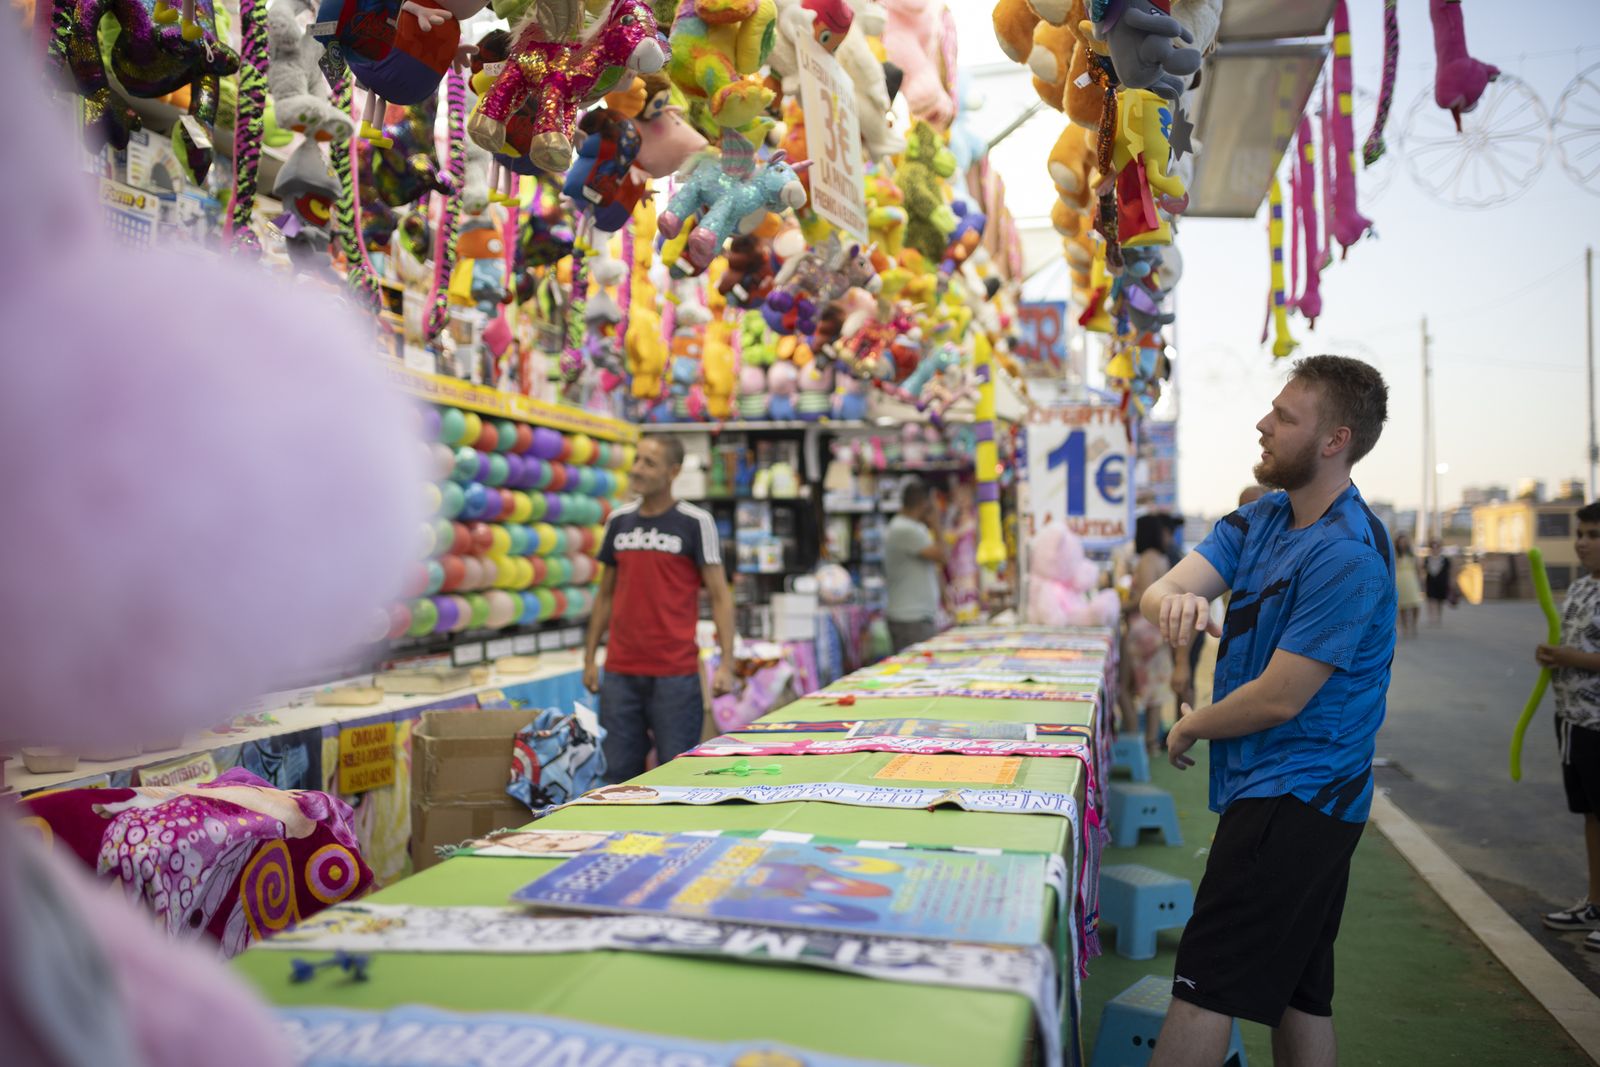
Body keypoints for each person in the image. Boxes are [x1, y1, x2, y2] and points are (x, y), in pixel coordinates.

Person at [1139, 355, 1395, 1067]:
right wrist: (1179, 600)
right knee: (1298, 992)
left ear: (1335, 440)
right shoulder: (1262, 519)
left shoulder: (1347, 551)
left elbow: (1283, 695)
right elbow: (1158, 592)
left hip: (1299, 794)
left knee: (1204, 986)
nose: (1262, 423)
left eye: (1285, 416)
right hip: (1295, 793)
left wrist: (1188, 721)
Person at [583, 436, 736, 782]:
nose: (637, 469)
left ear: (673, 472)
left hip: (675, 676)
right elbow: (605, 594)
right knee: (618, 777)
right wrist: (590, 657)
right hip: (620, 674)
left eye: (649, 463)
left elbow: (720, 596)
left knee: (675, 775)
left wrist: (727, 662)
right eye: (637, 460)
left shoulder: (695, 522)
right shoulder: (618, 522)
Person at [1537, 501, 1600, 952]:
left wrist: (1569, 658)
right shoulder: (1580, 589)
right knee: (1591, 814)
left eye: (1594, 535)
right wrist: (1552, 656)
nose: (1582, 542)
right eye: (1580, 533)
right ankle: (1595, 902)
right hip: (1574, 721)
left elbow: (1580, 655)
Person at [1192, 486, 1267, 710]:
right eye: (1245, 508)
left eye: (1260, 507)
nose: (1252, 514)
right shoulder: (1232, 548)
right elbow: (1193, 596)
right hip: (1234, 653)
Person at [1122, 513, 1185, 753]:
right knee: (1153, 691)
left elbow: (1143, 598)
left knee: (1130, 689)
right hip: (1157, 630)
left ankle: (1141, 742)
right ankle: (1149, 742)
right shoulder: (1160, 559)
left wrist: (1118, 606)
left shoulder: (1147, 560)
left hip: (1145, 630)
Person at [884, 481, 947, 653]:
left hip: (916, 617)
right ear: (924, 504)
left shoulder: (911, 527)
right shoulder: (903, 529)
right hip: (910, 619)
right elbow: (942, 556)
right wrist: (936, 522)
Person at [1394, 532, 1423, 638]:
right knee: (1403, 605)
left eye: (1405, 542)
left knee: (1416, 604)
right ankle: (1405, 626)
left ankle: (1414, 624)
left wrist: (1421, 581)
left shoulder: (1412, 555)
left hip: (1412, 580)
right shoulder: (1395, 555)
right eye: (1401, 542)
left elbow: (1419, 569)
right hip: (1400, 581)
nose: (1403, 544)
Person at [1424, 537, 1452, 625]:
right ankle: (1431, 617)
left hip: (1442, 582)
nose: (1435, 549)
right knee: (1431, 600)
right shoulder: (1427, 559)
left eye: (1437, 547)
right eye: (1433, 547)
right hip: (1431, 582)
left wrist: (1451, 582)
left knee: (1440, 601)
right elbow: (1423, 570)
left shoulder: (1445, 560)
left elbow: (1450, 571)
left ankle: (1439, 617)